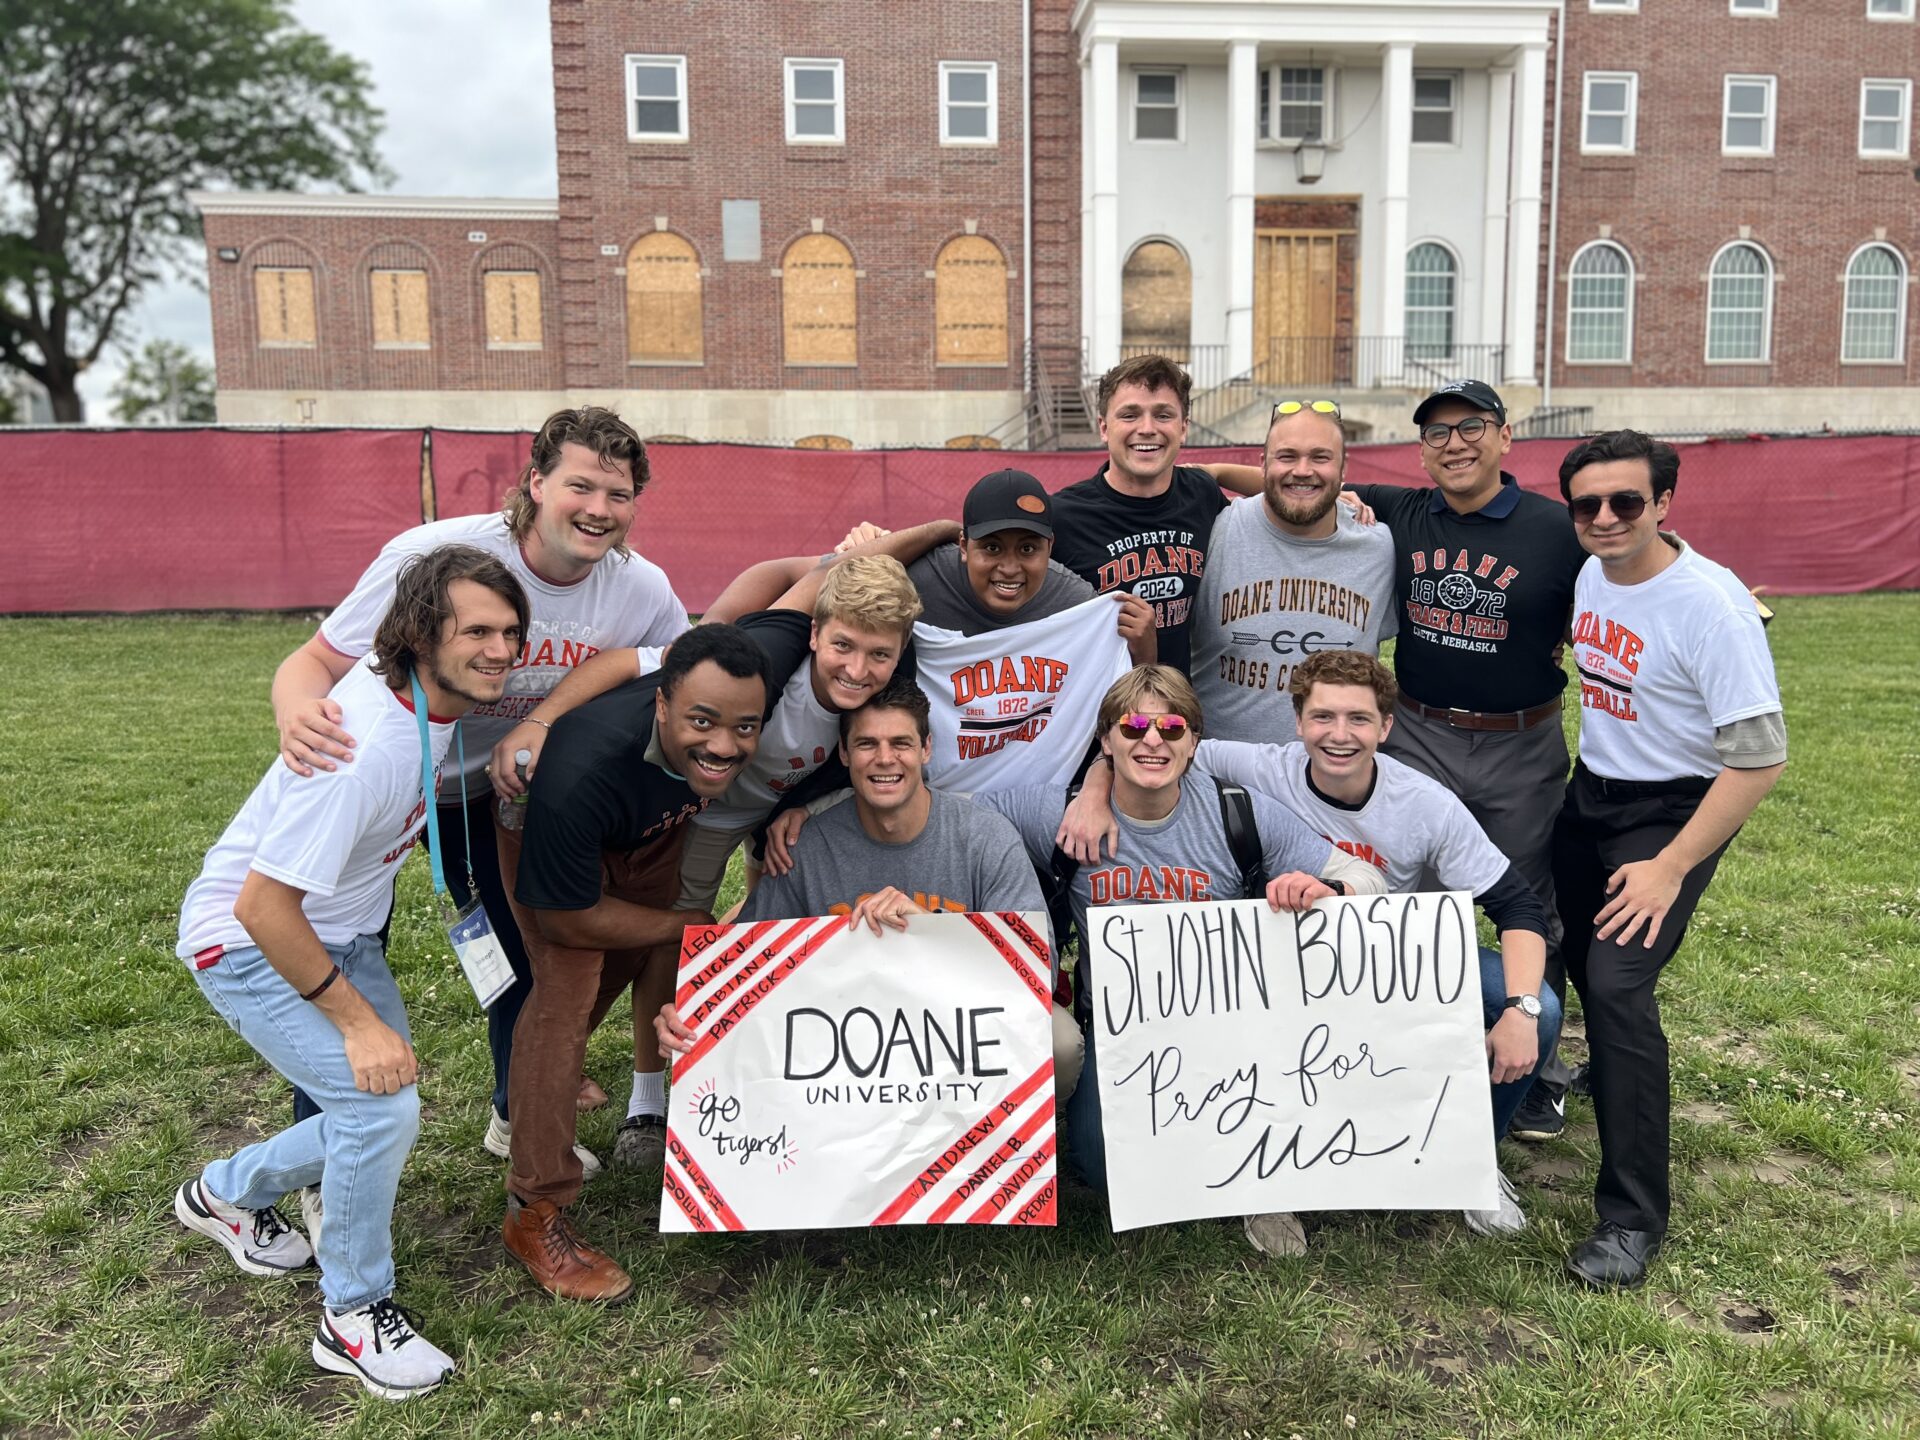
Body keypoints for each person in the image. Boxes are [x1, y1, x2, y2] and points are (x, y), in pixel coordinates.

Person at [270, 407, 690, 1175]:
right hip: (389, 781)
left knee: (521, 960)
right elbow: (314, 660)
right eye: (580, 486)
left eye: (620, 494)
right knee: (338, 952)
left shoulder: (641, 589)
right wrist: (295, 711)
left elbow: (674, 671)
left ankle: (513, 1111)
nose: (599, 509)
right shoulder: (434, 557)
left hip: (504, 799)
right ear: (534, 483)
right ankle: (323, 1170)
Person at [173, 546, 530, 1400]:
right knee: (380, 1111)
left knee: (380, 1111)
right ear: (417, 634)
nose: (501, 650)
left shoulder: (422, 709)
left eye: (511, 631)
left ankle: (224, 1193)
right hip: (252, 939)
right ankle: (354, 1316)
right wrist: (356, 1021)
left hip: (339, 933)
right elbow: (263, 907)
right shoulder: (363, 745)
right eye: (476, 630)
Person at [485, 535, 950, 1156]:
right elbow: (640, 661)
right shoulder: (764, 652)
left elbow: (871, 752)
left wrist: (807, 811)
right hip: (695, 805)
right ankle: (646, 1105)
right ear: (814, 634)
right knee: (662, 937)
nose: (858, 670)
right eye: (843, 646)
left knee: (776, 920)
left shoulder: (888, 681)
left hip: (776, 807)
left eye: (879, 655)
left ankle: (783, 1072)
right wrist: (941, 526)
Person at [1070, 650, 1561, 1237]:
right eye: (1323, 717)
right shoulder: (1254, 766)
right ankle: (1269, 1180)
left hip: (1382, 976)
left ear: (1386, 726)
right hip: (1270, 985)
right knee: (1100, 1163)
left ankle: (1472, 1160)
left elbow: (1518, 906)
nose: (1339, 735)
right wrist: (1094, 788)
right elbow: (1150, 743)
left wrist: (1522, 1010)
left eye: (1358, 719)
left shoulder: (1425, 804)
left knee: (1542, 1009)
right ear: (1297, 722)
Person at [975, 665, 1386, 1257]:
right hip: (1125, 1034)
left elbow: (1363, 876)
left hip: (1234, 1029)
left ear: (1194, 741)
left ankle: (1262, 1183)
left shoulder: (1235, 813)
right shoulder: (1059, 813)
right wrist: (809, 810)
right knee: (1099, 1166)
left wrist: (1332, 893)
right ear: (1105, 740)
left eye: (1171, 728)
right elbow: (948, 814)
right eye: (1134, 725)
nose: (1152, 740)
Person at [1553, 429, 1785, 1289]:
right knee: (1576, 952)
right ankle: (1599, 1069)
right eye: (1589, 504)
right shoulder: (1590, 571)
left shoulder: (1710, 605)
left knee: (1617, 986)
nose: (1606, 518)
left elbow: (1760, 758)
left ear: (1665, 504)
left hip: (1671, 812)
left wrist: (1672, 865)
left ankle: (1631, 1218)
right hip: (1593, 791)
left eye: (1627, 502)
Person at [1341, 380, 1588, 1143]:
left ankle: (1538, 1070)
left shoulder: (1557, 529)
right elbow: (1303, 481)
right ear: (1422, 451)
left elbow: (1638, 561)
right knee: (1407, 885)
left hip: (1521, 739)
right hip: (1418, 731)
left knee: (1524, 898)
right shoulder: (1409, 511)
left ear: (1505, 438)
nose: (1454, 443)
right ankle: (1402, 1048)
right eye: (1438, 433)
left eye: (1471, 427)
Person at [497, 623, 773, 1303]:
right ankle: (534, 1210)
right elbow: (568, 917)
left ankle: (537, 1087)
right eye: (702, 721)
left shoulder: (756, 671)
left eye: (745, 727)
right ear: (661, 705)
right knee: (567, 990)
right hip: (552, 834)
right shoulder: (580, 773)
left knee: (625, 964)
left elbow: (801, 586)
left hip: (647, 831)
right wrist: (682, 922)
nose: (724, 745)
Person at [656, 676, 1079, 1086]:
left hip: (959, 1027)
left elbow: (1035, 960)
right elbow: (747, 964)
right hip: (844, 1039)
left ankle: (1003, 1140)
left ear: (926, 748)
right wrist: (694, 1009)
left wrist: (930, 933)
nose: (884, 758)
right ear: (843, 752)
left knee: (1058, 1041)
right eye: (866, 744)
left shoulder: (985, 836)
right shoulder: (804, 845)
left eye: (900, 743)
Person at [1190, 400, 1395, 746]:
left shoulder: (1380, 548)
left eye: (1320, 457)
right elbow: (1164, 482)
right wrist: (1213, 470)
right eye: (1287, 456)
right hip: (1222, 773)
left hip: (1330, 772)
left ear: (1344, 470)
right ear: (1262, 463)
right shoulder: (1214, 531)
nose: (1302, 470)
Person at [1046, 354, 1264, 672]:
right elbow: (994, 553)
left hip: (1180, 711)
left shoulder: (1200, 493)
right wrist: (946, 531)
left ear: (1183, 428)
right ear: (1104, 428)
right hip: (1100, 711)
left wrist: (1329, 494)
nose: (1147, 429)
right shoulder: (1063, 515)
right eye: (1130, 415)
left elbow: (1280, 500)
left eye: (1163, 415)